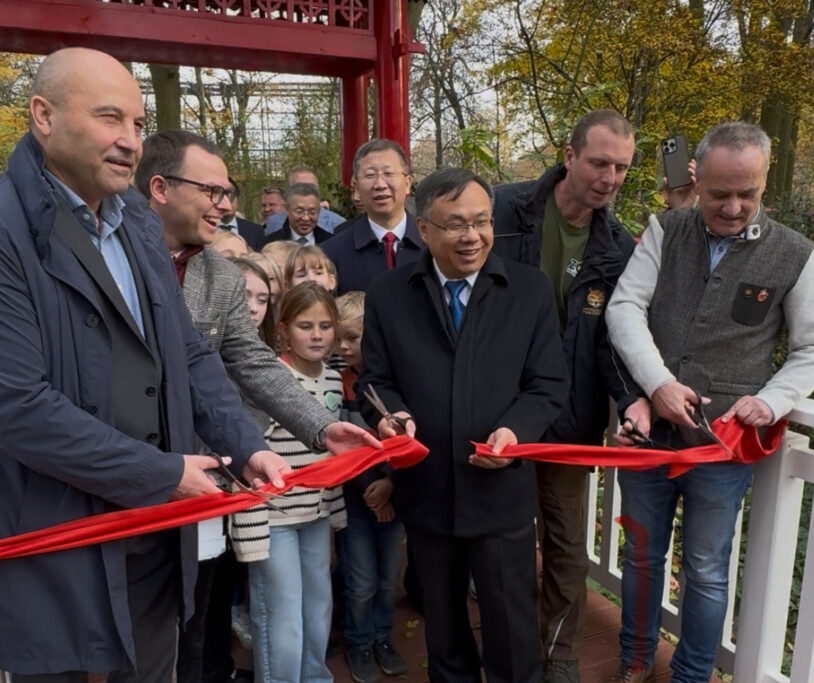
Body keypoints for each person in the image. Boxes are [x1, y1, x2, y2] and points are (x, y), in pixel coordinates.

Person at [0, 47, 294, 683]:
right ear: (42, 116)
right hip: (62, 532)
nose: (130, 142)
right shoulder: (6, 231)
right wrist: (160, 474)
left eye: (137, 124)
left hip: (159, 532)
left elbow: (184, 351)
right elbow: (17, 405)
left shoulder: (135, 218)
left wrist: (244, 448)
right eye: (110, 118)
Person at [134, 129, 378, 683]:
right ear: (159, 188)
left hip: (207, 476)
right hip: (124, 475)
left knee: (199, 613)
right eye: (213, 191)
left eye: (230, 191)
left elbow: (248, 362)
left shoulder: (218, 275)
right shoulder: (113, 254)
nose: (227, 205)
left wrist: (322, 426)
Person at [605, 121, 814, 683]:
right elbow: (624, 309)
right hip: (648, 435)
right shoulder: (664, 229)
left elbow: (810, 349)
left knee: (706, 568)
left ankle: (692, 674)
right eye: (720, 192)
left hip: (721, 447)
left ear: (765, 183)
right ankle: (633, 659)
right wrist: (656, 385)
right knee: (641, 556)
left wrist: (771, 401)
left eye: (747, 193)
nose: (733, 206)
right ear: (697, 182)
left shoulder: (796, 254)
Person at [358, 167, 570, 683]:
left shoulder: (527, 290)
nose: (471, 236)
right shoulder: (389, 294)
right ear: (423, 229)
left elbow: (547, 384)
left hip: (499, 491)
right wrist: (391, 418)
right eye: (454, 224)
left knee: (512, 631)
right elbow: (375, 381)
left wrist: (515, 433)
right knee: (444, 631)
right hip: (427, 491)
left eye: (481, 221)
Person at [492, 109, 648, 683]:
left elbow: (615, 337)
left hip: (572, 414)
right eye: (600, 162)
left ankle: (558, 655)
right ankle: (506, 645)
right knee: (501, 537)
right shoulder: (503, 210)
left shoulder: (618, 244)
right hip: (498, 408)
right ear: (569, 155)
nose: (609, 177)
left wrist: (631, 398)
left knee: (565, 545)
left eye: (622, 168)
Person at [231, 282, 347, 683]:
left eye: (325, 325)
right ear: (282, 330)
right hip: (274, 521)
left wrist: (334, 510)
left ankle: (315, 678)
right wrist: (248, 532)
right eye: (304, 326)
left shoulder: (333, 378)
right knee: (281, 618)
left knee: (318, 609)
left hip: (315, 514)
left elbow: (330, 456)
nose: (317, 335)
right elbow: (248, 459)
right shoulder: (269, 379)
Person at [335, 291, 406, 683]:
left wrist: (390, 485)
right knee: (360, 580)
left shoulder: (392, 387)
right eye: (339, 338)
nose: (343, 347)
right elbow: (342, 447)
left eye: (353, 338)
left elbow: (403, 444)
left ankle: (382, 636)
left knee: (386, 578)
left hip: (392, 497)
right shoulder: (338, 383)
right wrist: (371, 490)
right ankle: (359, 641)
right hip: (355, 500)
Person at [323, 139, 423, 295]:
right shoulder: (330, 254)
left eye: (389, 173)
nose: (380, 184)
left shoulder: (434, 244)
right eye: (370, 175)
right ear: (356, 188)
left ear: (407, 183)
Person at [265, 165, 345, 235]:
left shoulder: (337, 223)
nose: (306, 193)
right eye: (299, 188)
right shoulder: (274, 222)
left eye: (311, 187)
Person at [263, 183, 333, 246]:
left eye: (312, 212)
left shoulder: (331, 243)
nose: (306, 218)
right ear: (287, 209)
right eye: (299, 212)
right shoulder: (270, 244)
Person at [219, 177, 265, 251]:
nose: (227, 201)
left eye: (231, 196)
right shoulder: (201, 230)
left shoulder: (255, 231)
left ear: (238, 198)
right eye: (221, 196)